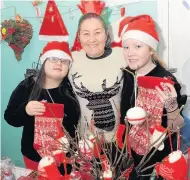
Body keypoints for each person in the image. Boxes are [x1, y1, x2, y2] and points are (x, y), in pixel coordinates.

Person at [119, 15, 187, 179]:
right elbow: (124, 113)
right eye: (126, 47)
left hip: (159, 158)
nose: (130, 53)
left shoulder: (166, 80)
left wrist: (171, 106)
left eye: (137, 46)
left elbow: (177, 127)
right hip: (133, 155)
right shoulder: (128, 74)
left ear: (151, 49)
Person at [4, 41, 80, 171]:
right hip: (34, 158)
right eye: (54, 59)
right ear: (44, 62)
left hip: (66, 159)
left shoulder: (73, 88)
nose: (59, 63)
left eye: (64, 61)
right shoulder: (27, 86)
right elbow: (10, 117)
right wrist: (25, 110)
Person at [68, 13, 126, 142]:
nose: (92, 39)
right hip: (84, 141)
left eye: (97, 32)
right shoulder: (71, 59)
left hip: (118, 141)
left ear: (106, 34)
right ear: (79, 36)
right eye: (86, 33)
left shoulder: (122, 55)